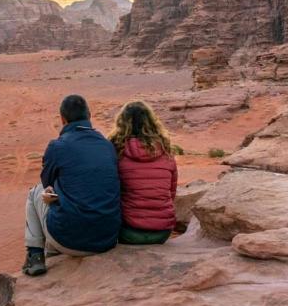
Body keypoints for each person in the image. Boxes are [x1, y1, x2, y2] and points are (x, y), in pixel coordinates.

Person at [23, 94, 120, 277]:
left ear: (62, 119)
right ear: (89, 116)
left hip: (69, 240)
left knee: (36, 192)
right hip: (107, 239)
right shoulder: (107, 146)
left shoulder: (57, 146)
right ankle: (52, 250)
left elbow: (47, 183)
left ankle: (35, 255)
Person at [109, 101, 177, 245]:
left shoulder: (115, 150)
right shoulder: (165, 150)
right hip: (162, 232)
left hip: (129, 232)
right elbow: (171, 192)